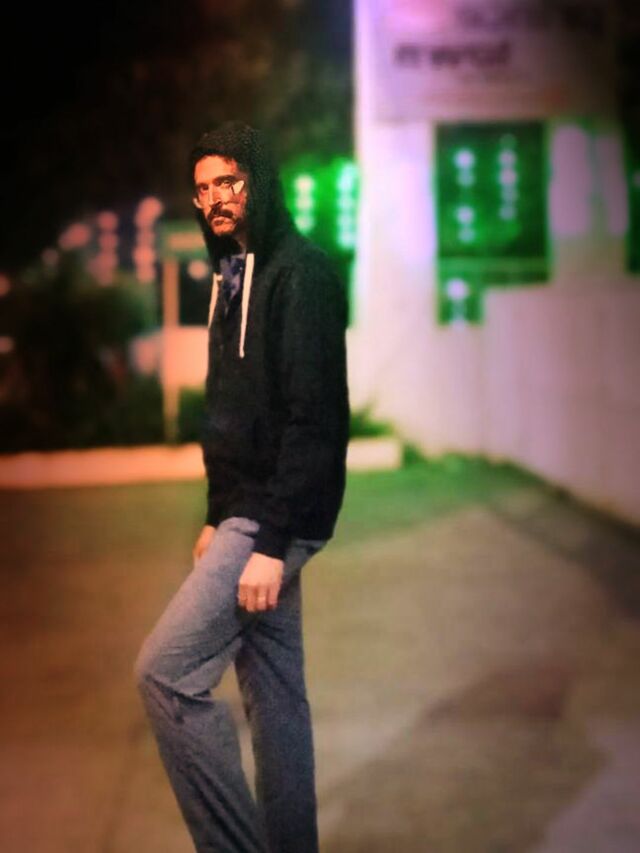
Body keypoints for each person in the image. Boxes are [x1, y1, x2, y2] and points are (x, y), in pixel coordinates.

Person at [134, 121, 350, 853]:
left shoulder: (302, 275)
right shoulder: (233, 276)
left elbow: (314, 419)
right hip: (247, 513)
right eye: (202, 189)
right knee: (276, 697)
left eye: (228, 180)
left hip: (274, 519)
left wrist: (270, 542)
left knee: (165, 674)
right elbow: (228, 413)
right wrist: (214, 512)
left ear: (259, 180)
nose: (215, 199)